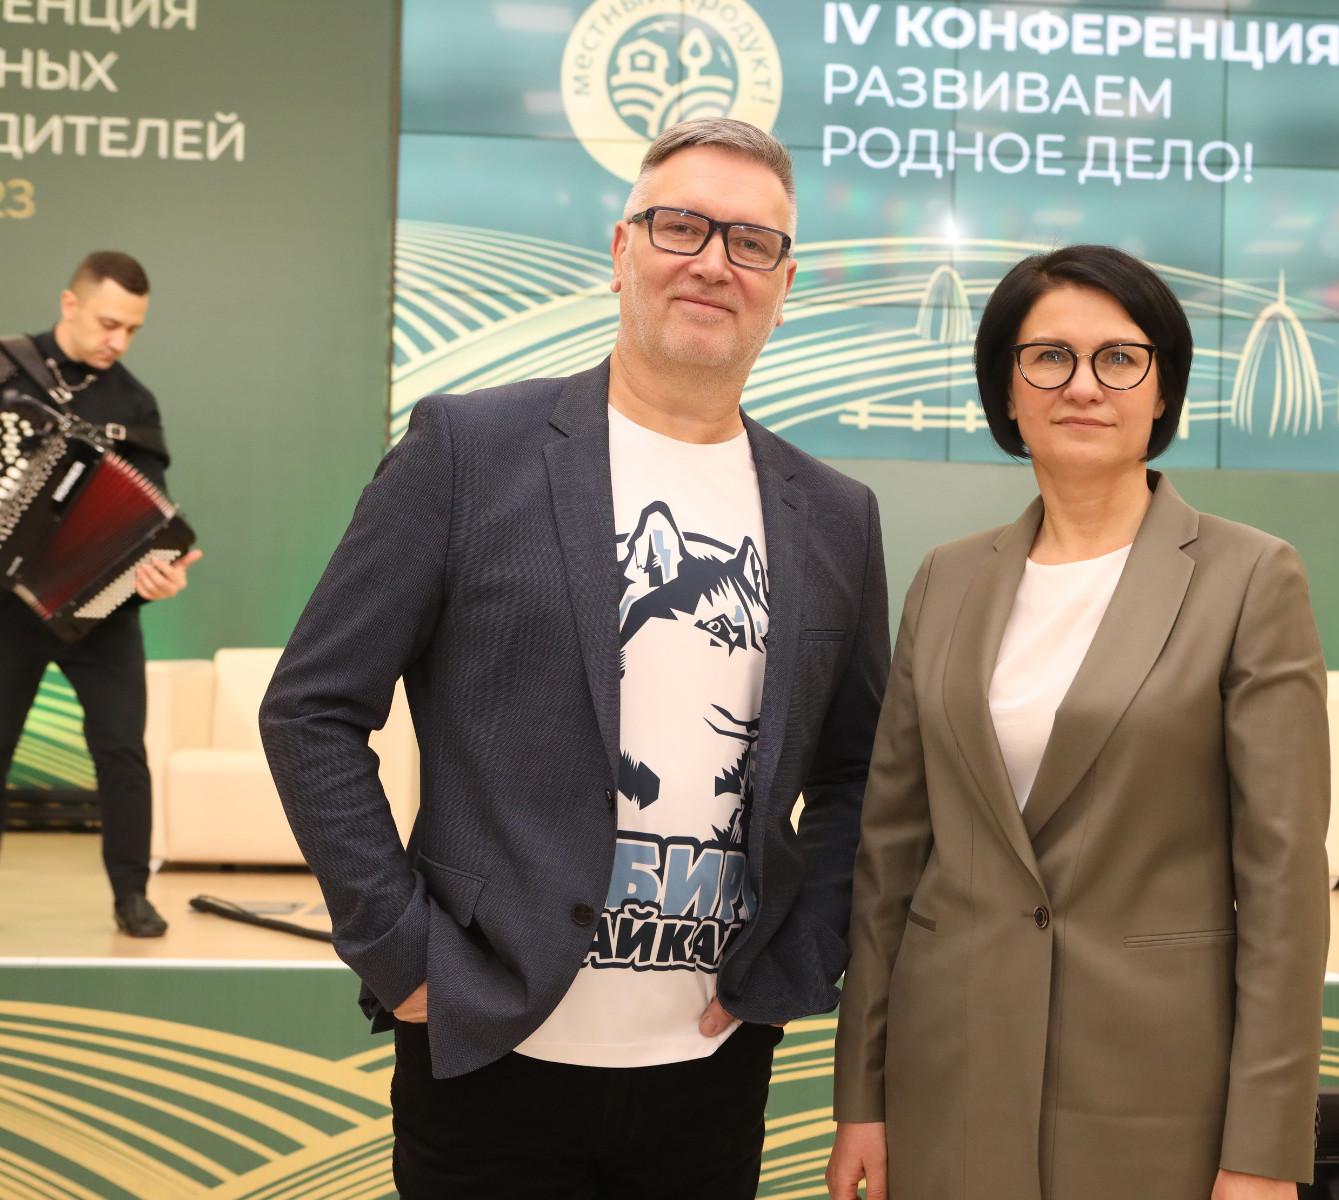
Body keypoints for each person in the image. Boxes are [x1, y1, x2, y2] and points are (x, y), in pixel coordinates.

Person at [260, 119, 889, 1199]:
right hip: (489, 1051)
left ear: (784, 284)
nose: (713, 262)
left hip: (712, 1067)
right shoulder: (466, 451)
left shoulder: (835, 514)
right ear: (620, 249)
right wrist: (402, 954)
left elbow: (857, 774)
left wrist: (794, 960)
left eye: (751, 242)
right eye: (680, 226)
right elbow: (311, 709)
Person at [828, 245, 1331, 1200]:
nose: (1084, 385)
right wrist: (862, 1095)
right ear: (1007, 392)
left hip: (1154, 1090)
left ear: (1163, 390)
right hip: (950, 1076)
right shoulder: (946, 578)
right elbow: (888, 860)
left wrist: (1264, 1150)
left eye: (1120, 358)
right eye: (1049, 357)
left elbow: (1285, 891)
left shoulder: (1250, 578)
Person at [0, 251, 202, 938]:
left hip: (100, 608)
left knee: (121, 749)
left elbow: (151, 518)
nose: (118, 340)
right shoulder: (8, 369)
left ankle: (132, 895)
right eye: (108, 323)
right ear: (70, 304)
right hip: (7, 607)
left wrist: (162, 570)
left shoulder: (134, 402)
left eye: (132, 329)